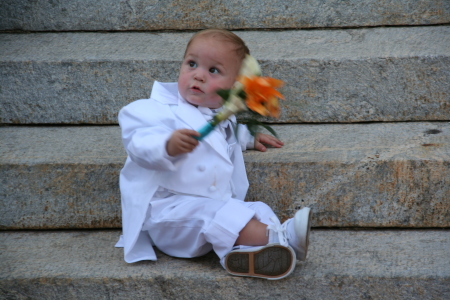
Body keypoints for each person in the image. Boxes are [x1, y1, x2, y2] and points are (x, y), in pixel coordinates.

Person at [116, 29, 311, 280]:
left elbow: (223, 137)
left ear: (234, 87)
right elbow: (139, 143)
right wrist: (166, 145)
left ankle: (252, 252)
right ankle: (279, 238)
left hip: (207, 207)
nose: (198, 74)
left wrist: (248, 137)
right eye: (192, 64)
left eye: (213, 71)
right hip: (170, 213)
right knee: (218, 214)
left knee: (255, 207)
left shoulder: (220, 118)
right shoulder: (151, 111)